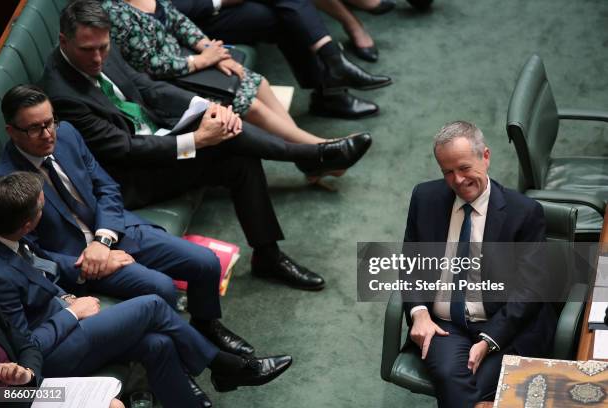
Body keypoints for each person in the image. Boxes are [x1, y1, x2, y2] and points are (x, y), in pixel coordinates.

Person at [39, 0, 371, 290]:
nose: (98, 57)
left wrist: (204, 106)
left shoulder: (97, 44)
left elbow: (145, 86)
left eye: (103, 47)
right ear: (63, 41)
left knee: (235, 152)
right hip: (130, 178)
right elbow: (125, 149)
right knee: (230, 150)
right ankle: (309, 156)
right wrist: (195, 140)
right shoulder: (62, 94)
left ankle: (269, 253)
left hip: (155, 135)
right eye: (88, 50)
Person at [0, 84, 277, 359]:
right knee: (162, 287)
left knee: (206, 262)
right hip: (80, 261)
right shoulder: (7, 183)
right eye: (35, 128)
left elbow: (105, 186)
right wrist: (93, 261)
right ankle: (179, 354)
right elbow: (29, 254)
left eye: (50, 122)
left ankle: (206, 326)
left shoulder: (67, 134)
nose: (47, 134)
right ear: (11, 131)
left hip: (113, 229)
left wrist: (104, 239)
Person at [0, 171, 292, 408]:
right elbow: (27, 345)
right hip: (54, 355)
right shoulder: (1, 277)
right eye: (41, 207)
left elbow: (43, 269)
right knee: (152, 304)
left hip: (68, 317)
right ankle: (224, 366)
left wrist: (67, 294)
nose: (44, 209)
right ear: (27, 224)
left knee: (158, 345)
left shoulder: (11, 237)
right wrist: (72, 312)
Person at [402, 121, 556, 407]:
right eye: (448, 172)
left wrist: (488, 340)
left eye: (464, 168)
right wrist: (419, 312)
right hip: (445, 326)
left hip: (506, 325)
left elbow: (531, 289)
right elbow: (411, 261)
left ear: (485, 156)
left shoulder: (524, 213)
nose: (458, 180)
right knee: (453, 376)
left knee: (465, 388)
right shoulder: (425, 198)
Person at [102, 0, 357, 149]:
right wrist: (201, 60)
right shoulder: (111, 11)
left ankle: (309, 156)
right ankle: (317, 149)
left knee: (258, 82)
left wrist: (208, 48)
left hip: (191, 61)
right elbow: (148, 65)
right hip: (167, 82)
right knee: (252, 106)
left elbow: (180, 21)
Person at [171, 0, 392, 118]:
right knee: (280, 18)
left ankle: (332, 73)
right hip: (189, 19)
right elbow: (159, 9)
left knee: (285, 10)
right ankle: (332, 72)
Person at [0, 304, 125, 408]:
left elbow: (27, 348)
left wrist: (27, 375)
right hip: (5, 398)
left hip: (22, 392)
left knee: (113, 405)